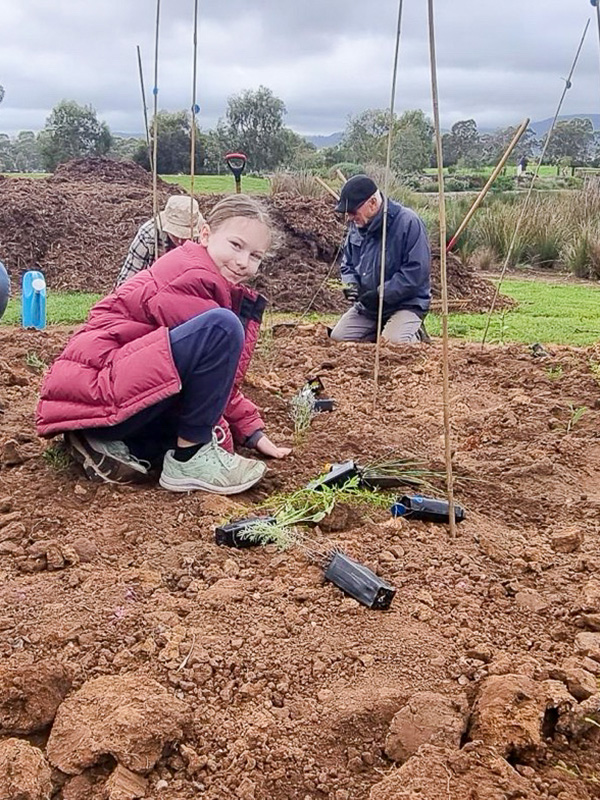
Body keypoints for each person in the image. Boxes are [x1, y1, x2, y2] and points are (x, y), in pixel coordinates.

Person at [36, 195, 291, 495]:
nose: (242, 262)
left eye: (255, 256)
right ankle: (190, 458)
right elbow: (213, 370)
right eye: (236, 245)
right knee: (222, 328)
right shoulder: (192, 277)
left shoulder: (202, 273)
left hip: (101, 391)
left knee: (206, 418)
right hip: (98, 389)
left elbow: (211, 377)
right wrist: (229, 431)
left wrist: (252, 430)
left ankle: (107, 444)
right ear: (206, 234)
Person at [330, 175, 431, 344]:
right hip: (369, 306)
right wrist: (351, 284)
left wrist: (381, 294)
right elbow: (347, 264)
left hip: (406, 304)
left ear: (372, 203)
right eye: (347, 213)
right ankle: (382, 330)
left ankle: (416, 334)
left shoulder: (408, 222)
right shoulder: (357, 227)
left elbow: (416, 272)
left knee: (395, 343)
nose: (349, 217)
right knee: (338, 337)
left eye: (353, 211)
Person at [115, 195, 204, 287]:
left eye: (186, 236)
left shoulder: (204, 236)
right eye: (175, 235)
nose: (180, 240)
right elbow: (127, 280)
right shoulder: (149, 234)